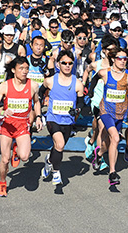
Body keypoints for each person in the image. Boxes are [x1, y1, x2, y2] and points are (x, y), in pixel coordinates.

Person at [0, 56, 42, 197]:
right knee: (5, 160)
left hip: (22, 125)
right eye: (21, 68)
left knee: (24, 156)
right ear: (13, 70)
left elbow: (36, 103)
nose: (24, 71)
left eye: (26, 68)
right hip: (7, 126)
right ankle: (2, 182)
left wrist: (38, 117)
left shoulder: (33, 86)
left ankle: (17, 149)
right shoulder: (5, 86)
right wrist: (2, 111)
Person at [87, 47, 128, 186]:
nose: (123, 61)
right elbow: (94, 79)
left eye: (125, 59)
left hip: (120, 113)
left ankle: (99, 155)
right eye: (120, 58)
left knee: (108, 141)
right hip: (105, 110)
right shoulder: (105, 73)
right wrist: (90, 92)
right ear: (113, 59)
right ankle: (112, 173)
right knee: (116, 138)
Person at [41, 50, 84, 185]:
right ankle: (56, 172)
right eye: (64, 63)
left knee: (59, 146)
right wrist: (41, 105)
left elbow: (81, 102)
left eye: (70, 63)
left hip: (68, 121)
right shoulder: (50, 81)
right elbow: (39, 93)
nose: (67, 65)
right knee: (59, 144)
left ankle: (49, 161)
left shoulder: (77, 83)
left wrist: (77, 109)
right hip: (52, 119)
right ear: (58, 64)